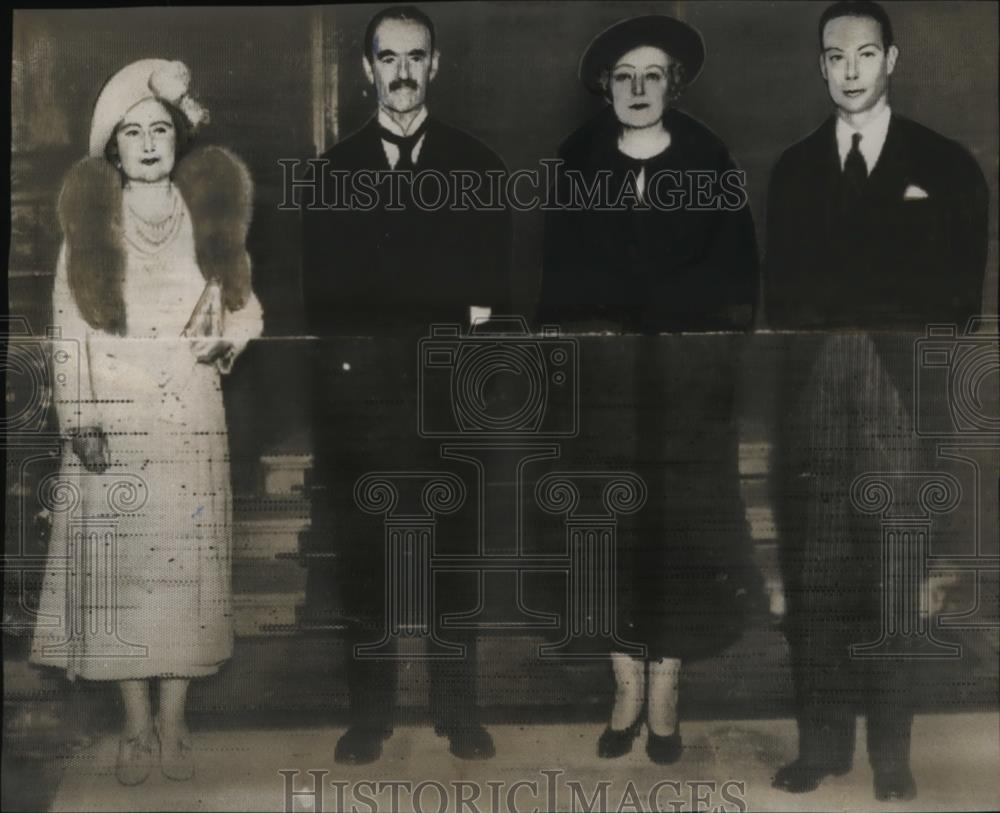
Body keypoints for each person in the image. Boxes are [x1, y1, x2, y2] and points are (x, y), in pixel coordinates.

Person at [764, 1, 988, 801]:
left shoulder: (946, 163)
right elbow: (777, 300)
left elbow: (960, 298)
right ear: (820, 65)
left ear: (891, 60)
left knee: (894, 579)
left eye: (864, 54)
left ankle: (892, 753)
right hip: (815, 391)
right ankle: (821, 746)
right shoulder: (793, 169)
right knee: (819, 580)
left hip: (899, 393)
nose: (849, 70)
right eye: (834, 56)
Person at [30, 59, 263, 786]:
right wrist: (81, 420)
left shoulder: (208, 221)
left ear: (178, 140)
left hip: (190, 412)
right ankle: (135, 722)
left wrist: (231, 333)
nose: (150, 143)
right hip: (115, 421)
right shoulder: (90, 231)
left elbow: (249, 308)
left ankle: (175, 717)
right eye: (133, 132)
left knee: (183, 566)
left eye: (161, 128)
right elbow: (66, 334)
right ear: (114, 150)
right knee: (123, 570)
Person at [538, 15, 761, 765]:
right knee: (608, 534)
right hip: (601, 392)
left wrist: (699, 357)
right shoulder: (576, 160)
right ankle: (623, 681)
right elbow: (553, 280)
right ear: (607, 85)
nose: (638, 89)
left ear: (674, 84)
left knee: (680, 539)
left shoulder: (708, 158)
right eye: (624, 76)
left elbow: (737, 280)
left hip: (685, 397)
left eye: (653, 75)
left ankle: (665, 685)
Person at [300, 5, 511, 764]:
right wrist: (435, 296)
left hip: (451, 393)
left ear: (436, 64)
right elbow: (326, 300)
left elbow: (492, 297)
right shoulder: (331, 174)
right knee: (367, 561)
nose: (400, 72)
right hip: (361, 403)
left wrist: (410, 299)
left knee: (453, 556)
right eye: (386, 57)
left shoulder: (478, 167)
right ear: (366, 70)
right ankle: (370, 715)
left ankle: (460, 710)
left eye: (414, 57)